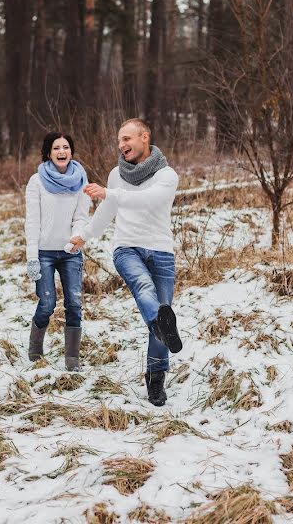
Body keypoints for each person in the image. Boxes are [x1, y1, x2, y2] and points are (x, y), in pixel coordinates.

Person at [69, 118, 182, 406]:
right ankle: (158, 322)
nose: (122, 145)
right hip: (126, 247)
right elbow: (108, 210)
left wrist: (111, 193)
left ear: (145, 137)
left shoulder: (167, 175)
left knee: (161, 315)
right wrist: (84, 234)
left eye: (128, 138)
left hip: (161, 251)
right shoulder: (116, 175)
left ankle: (156, 379)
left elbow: (150, 200)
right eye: (120, 140)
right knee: (146, 291)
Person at [25, 132, 91, 371]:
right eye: (56, 148)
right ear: (48, 153)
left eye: (66, 147)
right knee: (47, 303)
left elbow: (82, 216)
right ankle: (35, 349)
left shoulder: (81, 179)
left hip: (70, 252)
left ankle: (72, 361)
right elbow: (32, 221)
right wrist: (32, 256)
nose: (62, 151)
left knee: (74, 303)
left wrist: (78, 236)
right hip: (43, 253)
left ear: (71, 151)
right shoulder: (37, 181)